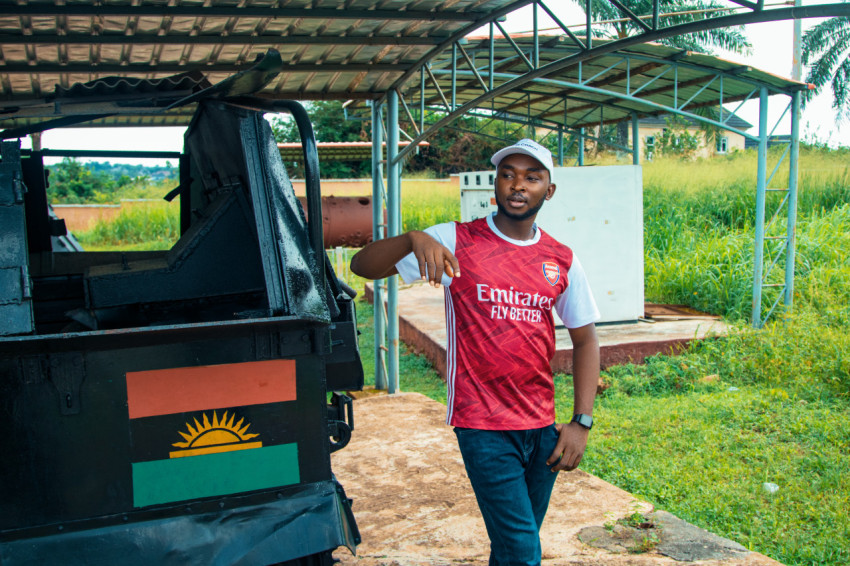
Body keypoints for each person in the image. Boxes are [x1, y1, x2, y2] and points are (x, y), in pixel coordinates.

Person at [350, 138, 601, 566]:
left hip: (542, 428)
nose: (518, 185)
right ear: (496, 185)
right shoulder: (455, 241)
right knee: (524, 551)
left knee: (512, 547)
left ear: (549, 191)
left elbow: (586, 340)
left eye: (532, 177)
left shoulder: (561, 259)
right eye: (508, 175)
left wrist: (581, 422)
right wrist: (413, 239)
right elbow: (363, 267)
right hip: (482, 424)